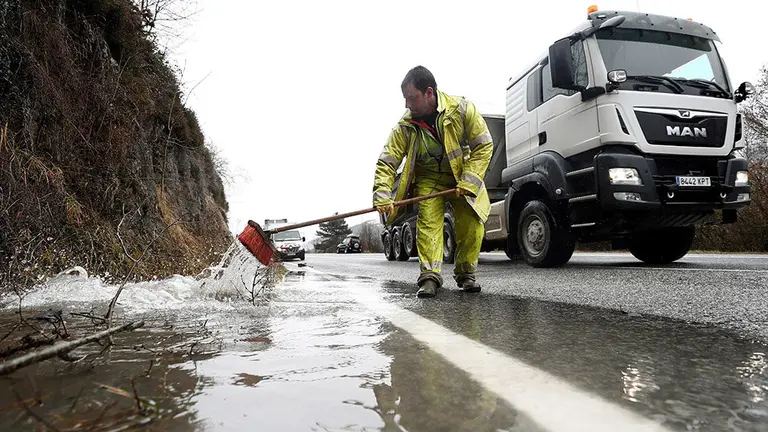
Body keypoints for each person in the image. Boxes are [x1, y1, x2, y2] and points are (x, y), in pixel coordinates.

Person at [372, 66, 493, 298]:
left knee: (472, 224)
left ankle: (466, 274)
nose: (407, 105)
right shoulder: (405, 126)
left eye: (412, 98)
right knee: (428, 225)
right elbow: (387, 161)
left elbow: (484, 145)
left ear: (429, 93)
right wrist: (382, 195)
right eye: (405, 99)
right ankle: (429, 278)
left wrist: (469, 181)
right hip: (429, 180)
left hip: (461, 176)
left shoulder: (462, 109)